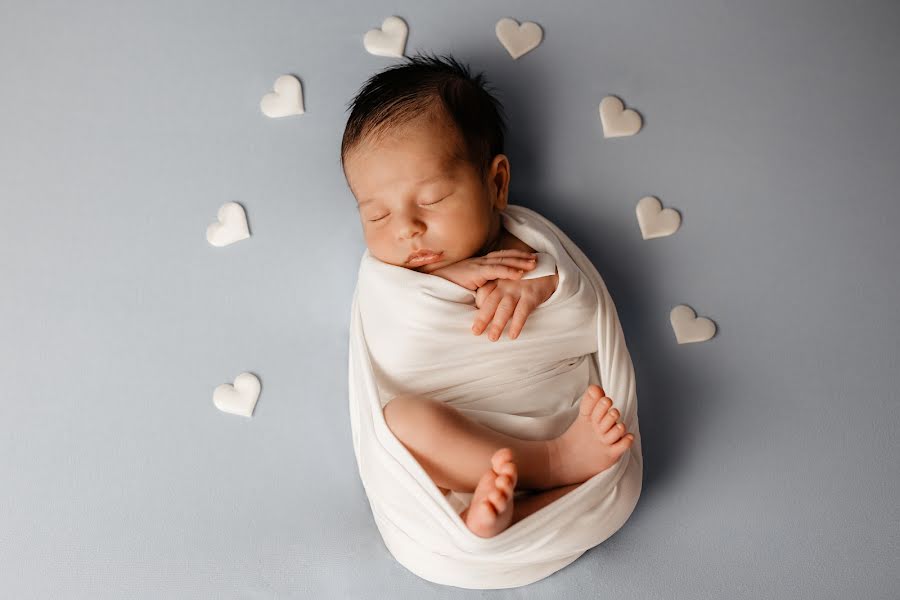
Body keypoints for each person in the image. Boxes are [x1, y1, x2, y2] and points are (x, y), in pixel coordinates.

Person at [340, 52, 635, 538]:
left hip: (557, 415)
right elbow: (395, 341)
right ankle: (543, 476)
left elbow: (586, 318)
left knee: (608, 458)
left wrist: (541, 288)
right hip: (459, 449)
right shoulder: (385, 278)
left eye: (431, 199)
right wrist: (453, 279)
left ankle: (548, 483)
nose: (407, 229)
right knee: (397, 423)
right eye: (376, 216)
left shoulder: (531, 245)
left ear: (496, 183)